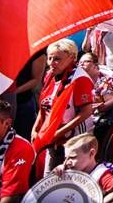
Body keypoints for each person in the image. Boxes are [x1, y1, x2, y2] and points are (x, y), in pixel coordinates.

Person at [32, 39, 94, 174]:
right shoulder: (50, 75)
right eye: (50, 58)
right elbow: (45, 105)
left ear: (72, 57)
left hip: (74, 139)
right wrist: (36, 128)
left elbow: (86, 112)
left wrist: (58, 133)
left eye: (57, 59)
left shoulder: (80, 79)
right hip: (52, 134)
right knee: (49, 176)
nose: (52, 63)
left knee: (69, 176)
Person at [54, 134, 113, 203]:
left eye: (73, 157)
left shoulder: (100, 174)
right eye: (65, 158)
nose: (67, 162)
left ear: (91, 153)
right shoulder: (71, 170)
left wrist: (101, 201)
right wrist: (58, 172)